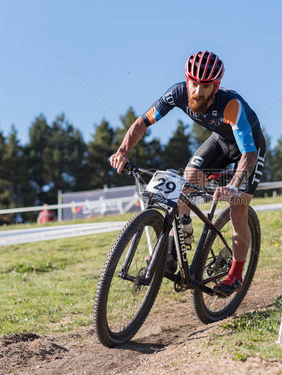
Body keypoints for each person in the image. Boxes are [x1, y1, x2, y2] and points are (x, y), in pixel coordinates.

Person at [110, 51, 266, 297]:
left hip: (249, 152)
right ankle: (172, 251)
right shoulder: (177, 94)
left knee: (238, 208)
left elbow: (249, 155)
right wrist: (122, 152)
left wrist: (234, 186)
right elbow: (142, 122)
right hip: (219, 143)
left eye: (205, 86)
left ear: (216, 87)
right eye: (193, 83)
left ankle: (235, 274)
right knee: (183, 186)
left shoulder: (230, 105)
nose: (197, 91)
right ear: (186, 80)